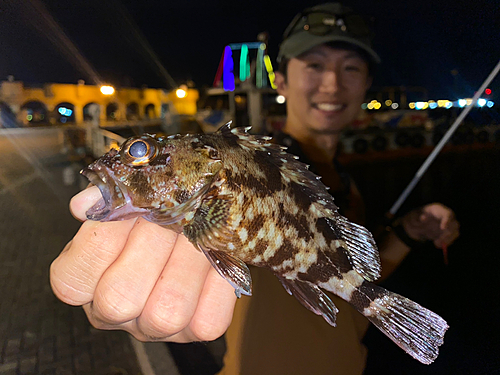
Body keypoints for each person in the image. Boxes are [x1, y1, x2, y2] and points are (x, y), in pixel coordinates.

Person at [50, 3, 460, 374]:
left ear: (366, 82)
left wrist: (408, 232)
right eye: (314, 65)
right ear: (279, 81)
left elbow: (347, 274)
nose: (332, 83)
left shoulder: (344, 185)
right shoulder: (253, 164)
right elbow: (234, 251)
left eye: (351, 68)